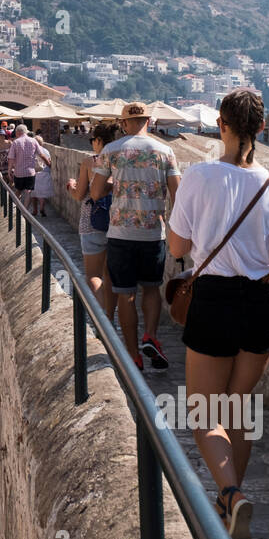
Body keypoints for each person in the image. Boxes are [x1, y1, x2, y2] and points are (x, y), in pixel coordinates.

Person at [166, 89, 269, 539]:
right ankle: (230, 507)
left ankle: (231, 494)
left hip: (214, 301)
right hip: (262, 303)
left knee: (204, 414)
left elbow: (176, 249)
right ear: (262, 130)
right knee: (237, 408)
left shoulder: (198, 176)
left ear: (220, 124)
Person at [89, 102, 179, 371]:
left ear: (125, 124)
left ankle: (133, 356)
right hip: (153, 233)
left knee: (125, 293)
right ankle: (150, 335)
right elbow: (178, 194)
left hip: (120, 234)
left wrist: (117, 183)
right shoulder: (165, 151)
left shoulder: (111, 150)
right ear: (148, 122)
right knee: (151, 288)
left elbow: (94, 193)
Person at [66, 122, 119, 320]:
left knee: (94, 276)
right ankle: (111, 318)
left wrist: (71, 186)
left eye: (92, 140)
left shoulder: (91, 162)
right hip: (117, 224)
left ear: (98, 141)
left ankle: (101, 323)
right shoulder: (121, 161)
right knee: (110, 276)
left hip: (92, 224)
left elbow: (80, 195)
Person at [7, 123, 39, 207]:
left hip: (19, 172)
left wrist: (9, 171)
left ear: (18, 132)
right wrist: (48, 163)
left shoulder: (15, 142)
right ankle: (24, 212)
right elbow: (41, 153)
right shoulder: (33, 140)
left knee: (18, 190)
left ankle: (15, 208)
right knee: (28, 192)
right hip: (30, 172)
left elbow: (11, 158)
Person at [30, 134, 54, 216]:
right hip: (45, 172)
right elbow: (49, 162)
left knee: (34, 193)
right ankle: (42, 208)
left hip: (35, 173)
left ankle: (35, 210)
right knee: (42, 193)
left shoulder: (33, 151)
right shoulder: (46, 151)